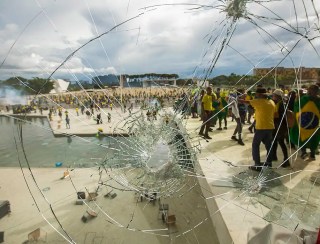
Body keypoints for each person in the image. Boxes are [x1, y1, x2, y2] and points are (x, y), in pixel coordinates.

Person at [243, 88, 276, 171]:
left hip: (261, 127)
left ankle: (257, 165)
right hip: (270, 127)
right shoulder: (271, 102)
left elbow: (246, 102)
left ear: (260, 95)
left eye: (256, 94)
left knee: (255, 145)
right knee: (268, 146)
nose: (256, 95)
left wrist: (237, 98)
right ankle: (269, 163)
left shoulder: (259, 102)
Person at [290, 84, 320, 161]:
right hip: (314, 124)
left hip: (303, 123)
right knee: (313, 138)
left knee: (302, 137)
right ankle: (312, 154)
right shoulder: (318, 100)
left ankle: (304, 153)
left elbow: (296, 107)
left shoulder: (304, 99)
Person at [270, 89, 290, 167]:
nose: (272, 96)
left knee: (281, 142)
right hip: (276, 125)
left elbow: (280, 116)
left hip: (281, 126)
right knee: (274, 140)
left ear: (277, 96)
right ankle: (274, 156)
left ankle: (286, 160)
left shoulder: (282, 104)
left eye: (274, 95)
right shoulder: (278, 103)